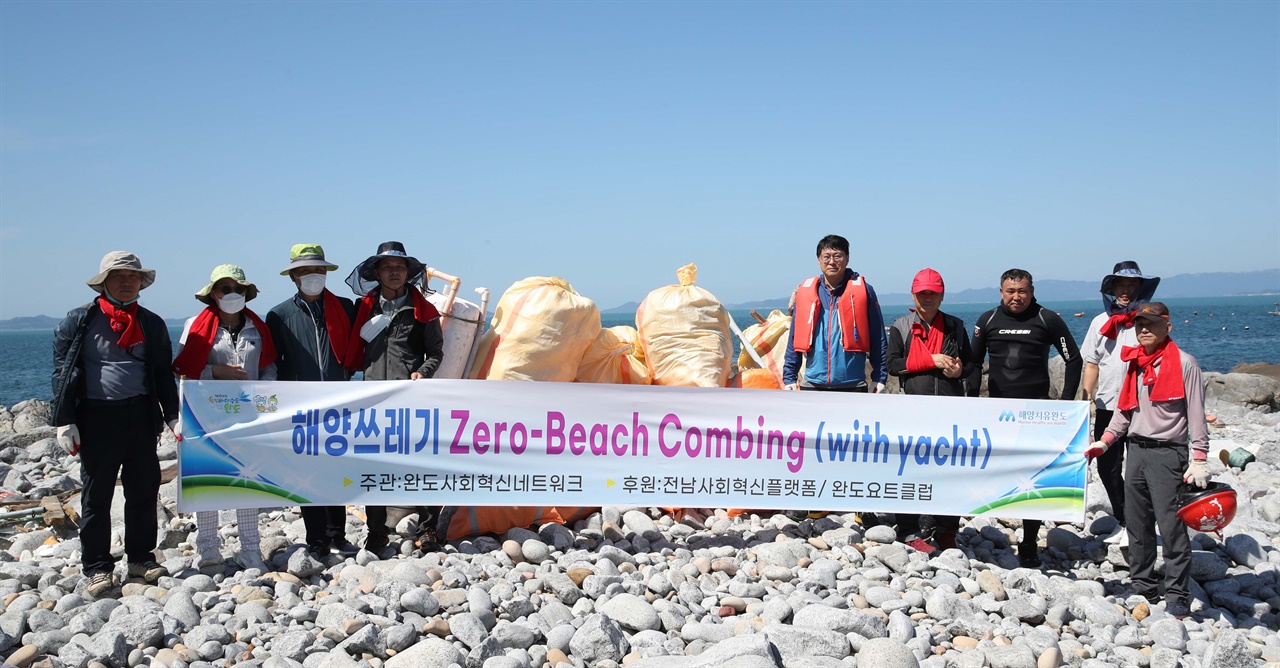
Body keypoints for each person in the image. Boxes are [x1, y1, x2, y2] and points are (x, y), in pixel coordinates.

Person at [51, 252, 179, 596]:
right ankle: (96, 566)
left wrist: (172, 416)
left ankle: (141, 559)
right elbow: (62, 371)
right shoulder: (79, 319)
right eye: (119, 276)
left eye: (133, 277)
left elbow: (162, 374)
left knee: (143, 490)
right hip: (96, 417)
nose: (126, 282)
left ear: (141, 283)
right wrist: (65, 420)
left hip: (141, 414)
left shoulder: (151, 323)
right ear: (104, 281)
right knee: (96, 496)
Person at [1085, 302, 1206, 619]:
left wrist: (1200, 458)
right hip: (1135, 451)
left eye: (1151, 324)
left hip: (1169, 454)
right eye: (1139, 324)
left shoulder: (1185, 364)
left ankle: (1178, 594)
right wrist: (1105, 441)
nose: (1144, 329)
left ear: (1168, 326)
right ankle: (1144, 585)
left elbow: (1196, 417)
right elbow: (1123, 412)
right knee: (1137, 524)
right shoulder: (1134, 363)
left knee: (1172, 527)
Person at [971, 268, 1082, 567]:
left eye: (1022, 291)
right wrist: (969, 404)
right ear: (1001, 292)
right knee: (986, 471)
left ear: (1032, 291)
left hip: (1037, 414)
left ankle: (1030, 541)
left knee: (1033, 479)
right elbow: (972, 362)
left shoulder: (1048, 319)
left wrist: (1065, 406)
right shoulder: (988, 320)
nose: (1016, 296)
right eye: (1010, 291)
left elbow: (1073, 358)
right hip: (998, 413)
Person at [172, 264, 277, 572]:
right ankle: (207, 549)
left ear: (247, 293)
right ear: (213, 294)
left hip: (249, 416)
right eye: (225, 289)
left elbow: (270, 364)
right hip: (205, 416)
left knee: (248, 478)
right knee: (207, 478)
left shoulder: (258, 328)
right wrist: (216, 372)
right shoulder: (195, 325)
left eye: (238, 289)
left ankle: (250, 549)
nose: (232, 294)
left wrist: (265, 391)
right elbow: (182, 370)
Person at [343, 241, 445, 556]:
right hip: (374, 400)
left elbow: (436, 352)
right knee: (373, 466)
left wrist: (423, 373)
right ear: (377, 272)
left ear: (408, 272)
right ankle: (376, 534)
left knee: (423, 464)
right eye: (387, 267)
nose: (394, 272)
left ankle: (429, 531)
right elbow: (350, 353)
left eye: (400, 268)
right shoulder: (363, 309)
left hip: (412, 399)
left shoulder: (423, 311)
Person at [265, 244, 358, 558]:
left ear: (326, 273)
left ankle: (338, 535)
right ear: (293, 276)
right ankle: (316, 538)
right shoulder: (278, 315)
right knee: (307, 475)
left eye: (318, 270)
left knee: (336, 469)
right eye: (305, 271)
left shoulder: (346, 308)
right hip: (300, 408)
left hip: (339, 402)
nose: (313, 276)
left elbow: (360, 351)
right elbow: (272, 363)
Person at [886, 268, 976, 552]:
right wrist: (930, 361)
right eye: (922, 293)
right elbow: (892, 364)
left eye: (933, 293)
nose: (927, 298)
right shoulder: (901, 326)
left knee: (950, 469)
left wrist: (960, 369)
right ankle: (909, 529)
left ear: (942, 295)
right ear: (913, 295)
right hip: (912, 409)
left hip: (950, 410)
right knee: (910, 468)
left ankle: (947, 528)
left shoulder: (955, 326)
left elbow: (972, 366)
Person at [1080, 261, 1160, 545]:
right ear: (1112, 289)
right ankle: (1124, 519)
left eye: (1131, 286)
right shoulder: (1099, 322)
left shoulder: (1149, 320)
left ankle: (1144, 522)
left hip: (1144, 407)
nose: (1125, 291)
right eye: (1120, 286)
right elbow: (1092, 363)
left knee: (1141, 467)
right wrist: (1086, 398)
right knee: (1107, 466)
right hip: (1108, 405)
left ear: (1139, 288)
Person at [783, 235, 888, 393]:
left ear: (847, 258)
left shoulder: (864, 291)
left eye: (837, 256)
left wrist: (879, 377)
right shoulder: (805, 292)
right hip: (812, 384)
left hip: (853, 384)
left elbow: (878, 336)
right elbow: (794, 337)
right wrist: (789, 377)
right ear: (819, 260)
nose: (831, 262)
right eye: (826, 257)